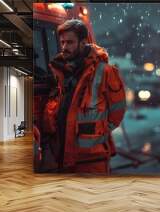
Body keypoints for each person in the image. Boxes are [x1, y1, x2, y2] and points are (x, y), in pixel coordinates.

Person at [42, 19, 126, 174]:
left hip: (92, 160)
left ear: (83, 42)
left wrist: (98, 132)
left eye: (70, 42)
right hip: (64, 158)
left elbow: (118, 111)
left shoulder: (105, 72)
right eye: (62, 43)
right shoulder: (60, 71)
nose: (64, 47)